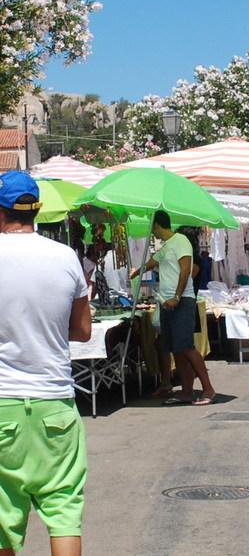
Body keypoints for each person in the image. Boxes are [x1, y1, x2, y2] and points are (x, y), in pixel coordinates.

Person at [0, 171, 91, 556]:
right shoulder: (65, 257)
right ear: (37, 210)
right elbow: (83, 330)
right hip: (54, 401)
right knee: (64, 509)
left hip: (2, 403)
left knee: (3, 519)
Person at [132, 211, 215, 406]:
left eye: (152, 228)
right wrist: (137, 272)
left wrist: (177, 296)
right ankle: (186, 391)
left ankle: (208, 388)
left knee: (186, 346)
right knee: (174, 347)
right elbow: (151, 263)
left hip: (181, 301)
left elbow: (186, 270)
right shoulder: (165, 247)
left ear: (157, 226)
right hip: (166, 303)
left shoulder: (181, 241)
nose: (152, 233)